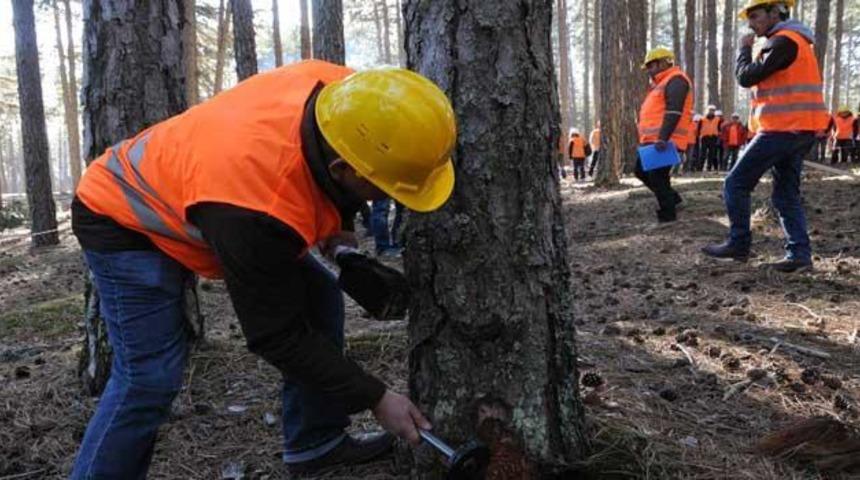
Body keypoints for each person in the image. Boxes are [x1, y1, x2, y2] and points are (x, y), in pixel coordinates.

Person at [69, 61, 456, 478]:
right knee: (148, 378)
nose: (389, 201)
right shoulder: (255, 210)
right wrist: (376, 397)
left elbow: (333, 174)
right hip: (122, 214)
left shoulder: (354, 96)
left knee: (320, 296)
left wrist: (342, 244)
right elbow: (276, 334)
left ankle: (316, 442)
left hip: (213, 192)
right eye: (386, 190)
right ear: (343, 170)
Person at [702, 0, 828, 272]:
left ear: (777, 12)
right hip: (799, 129)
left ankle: (739, 244)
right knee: (785, 195)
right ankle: (799, 255)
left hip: (782, 130)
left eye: (755, 16)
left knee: (735, 183)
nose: (751, 23)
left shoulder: (784, 42)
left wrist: (744, 50)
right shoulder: (796, 42)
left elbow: (746, 77)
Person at [636, 47, 693, 223]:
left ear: (663, 62)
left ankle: (668, 217)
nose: (649, 71)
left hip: (666, 140)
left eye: (651, 66)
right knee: (640, 171)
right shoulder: (661, 82)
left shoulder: (677, 80)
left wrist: (663, 137)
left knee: (658, 178)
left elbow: (674, 111)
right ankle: (674, 200)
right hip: (653, 140)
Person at [698, 105, 722, 171]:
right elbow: (698, 129)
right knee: (703, 153)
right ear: (707, 111)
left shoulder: (718, 119)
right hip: (704, 137)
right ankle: (700, 167)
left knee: (711, 154)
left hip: (713, 138)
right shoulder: (702, 119)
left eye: (713, 110)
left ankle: (709, 167)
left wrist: (718, 137)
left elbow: (719, 129)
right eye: (710, 110)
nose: (711, 112)